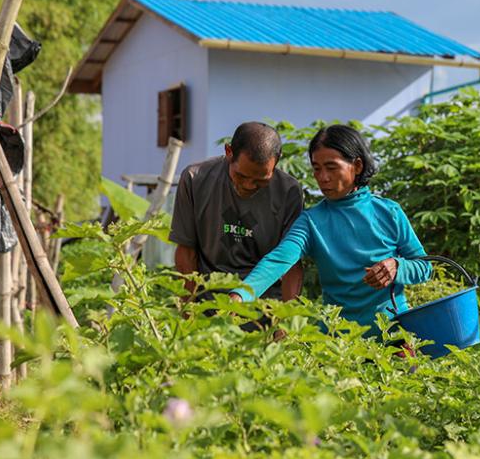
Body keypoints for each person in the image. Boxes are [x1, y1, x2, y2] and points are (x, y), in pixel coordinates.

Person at [229, 124, 432, 336]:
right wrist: (241, 295)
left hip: (393, 333)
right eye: (316, 168)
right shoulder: (311, 221)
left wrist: (397, 266)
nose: (323, 177)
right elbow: (278, 260)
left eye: (331, 167)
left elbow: (425, 267)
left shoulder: (389, 212)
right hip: (337, 340)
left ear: (357, 166)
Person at [170, 121, 304, 306]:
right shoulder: (195, 179)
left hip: (263, 308)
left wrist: (285, 323)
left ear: (276, 162)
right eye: (241, 176)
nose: (249, 186)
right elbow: (186, 251)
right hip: (208, 303)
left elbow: (290, 262)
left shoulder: (288, 192)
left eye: (261, 181)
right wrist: (188, 309)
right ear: (228, 152)